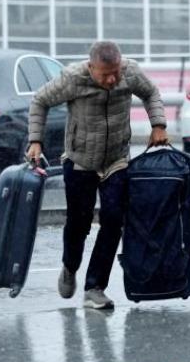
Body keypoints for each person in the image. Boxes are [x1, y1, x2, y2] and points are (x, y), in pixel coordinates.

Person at [26, 41, 168, 309]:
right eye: (105, 74)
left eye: (115, 71)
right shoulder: (73, 79)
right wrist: (36, 141)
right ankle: (70, 266)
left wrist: (158, 124)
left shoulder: (129, 72)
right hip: (80, 161)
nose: (112, 79)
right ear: (91, 68)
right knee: (78, 223)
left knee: (114, 220)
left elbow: (151, 93)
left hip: (116, 160)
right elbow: (40, 101)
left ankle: (95, 287)